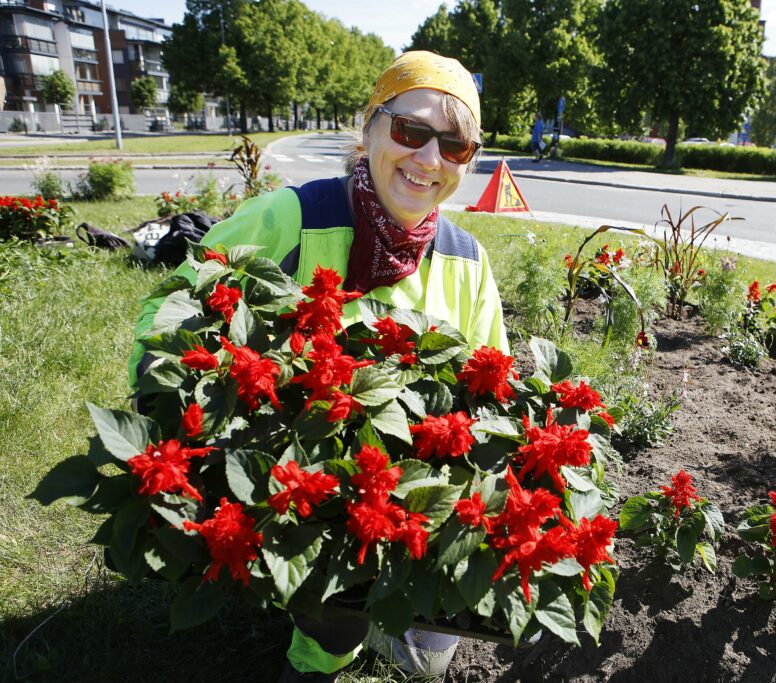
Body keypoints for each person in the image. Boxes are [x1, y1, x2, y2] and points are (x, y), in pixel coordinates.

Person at [128, 51, 508, 682]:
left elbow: (491, 391)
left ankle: (368, 615)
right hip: (285, 462)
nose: (428, 159)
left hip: (398, 478)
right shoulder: (292, 216)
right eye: (410, 131)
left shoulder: (467, 261)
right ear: (370, 129)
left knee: (432, 644)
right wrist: (164, 411)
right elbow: (170, 308)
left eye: (455, 145)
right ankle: (315, 653)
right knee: (334, 602)